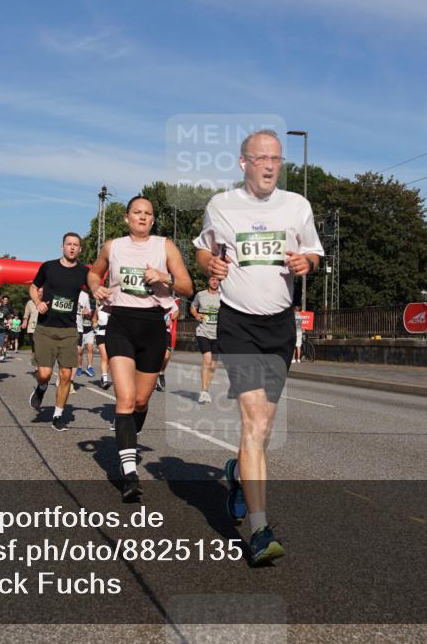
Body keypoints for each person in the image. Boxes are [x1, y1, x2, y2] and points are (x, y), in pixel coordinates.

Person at [193, 130, 324, 566]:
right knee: (253, 422)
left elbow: (313, 255)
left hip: (279, 325)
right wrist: (208, 263)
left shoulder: (297, 206)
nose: (270, 165)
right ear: (243, 162)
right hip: (237, 322)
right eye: (261, 158)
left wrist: (308, 263)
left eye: (276, 159)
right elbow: (202, 250)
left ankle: (235, 473)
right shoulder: (221, 205)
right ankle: (260, 529)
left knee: (262, 429)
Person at [89, 196, 192, 501]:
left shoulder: (165, 246)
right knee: (125, 398)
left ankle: (128, 439)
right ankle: (129, 472)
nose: (143, 217)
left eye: (148, 213)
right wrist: (96, 287)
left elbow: (188, 286)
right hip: (121, 322)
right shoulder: (113, 246)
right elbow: (94, 273)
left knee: (141, 401)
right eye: (137, 212)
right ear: (127, 217)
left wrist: (165, 278)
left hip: (152, 326)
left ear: (153, 219)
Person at [30, 233, 89, 431]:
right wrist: (38, 303)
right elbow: (33, 286)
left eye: (76, 245)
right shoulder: (49, 266)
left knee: (65, 375)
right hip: (46, 328)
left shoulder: (83, 272)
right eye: (69, 244)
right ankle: (41, 387)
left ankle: (57, 415)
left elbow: (97, 287)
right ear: (62, 246)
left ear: (80, 249)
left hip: (69, 330)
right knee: (45, 373)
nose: (72, 248)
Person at [191, 276, 222, 403]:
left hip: (218, 334)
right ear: (208, 281)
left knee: (213, 366)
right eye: (212, 279)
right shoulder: (200, 295)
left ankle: (206, 390)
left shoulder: (224, 296)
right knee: (207, 359)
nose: (215, 282)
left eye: (217, 280)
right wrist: (196, 314)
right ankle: (203, 391)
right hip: (203, 331)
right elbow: (193, 307)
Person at [156, 305, 179, 392]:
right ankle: (154, 381)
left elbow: (176, 310)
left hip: (165, 331)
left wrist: (173, 318)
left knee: (166, 355)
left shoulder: (167, 299)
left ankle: (161, 372)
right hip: (151, 331)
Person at [75, 288, 96, 379]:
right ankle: (79, 367)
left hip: (89, 330)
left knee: (90, 348)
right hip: (80, 329)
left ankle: (89, 367)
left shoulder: (93, 304)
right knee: (79, 351)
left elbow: (93, 316)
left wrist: (89, 314)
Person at [95, 306, 111, 390]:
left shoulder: (113, 308)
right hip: (101, 334)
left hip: (112, 335)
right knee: (104, 357)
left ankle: (103, 376)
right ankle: (105, 380)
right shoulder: (98, 308)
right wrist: (94, 323)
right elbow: (94, 319)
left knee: (109, 359)